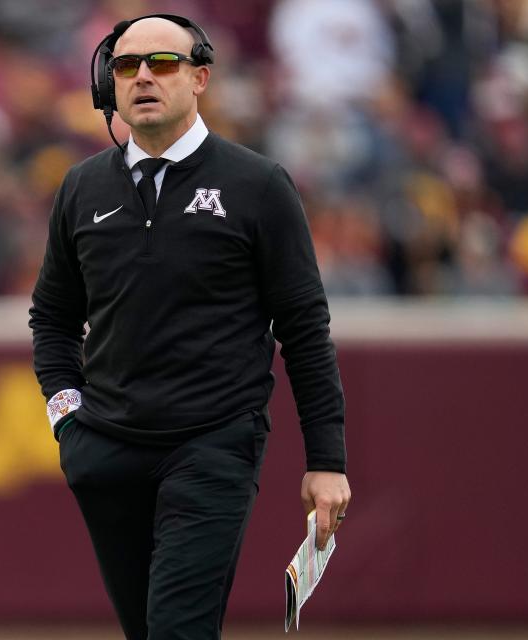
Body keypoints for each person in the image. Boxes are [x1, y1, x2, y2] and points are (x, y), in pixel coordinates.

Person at [29, 14, 350, 640]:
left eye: (163, 63)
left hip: (211, 445)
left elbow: (305, 328)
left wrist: (327, 460)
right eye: (126, 66)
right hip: (106, 447)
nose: (143, 76)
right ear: (108, 85)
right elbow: (53, 316)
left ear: (201, 77)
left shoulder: (257, 184)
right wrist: (67, 419)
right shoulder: (81, 186)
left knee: (177, 631)